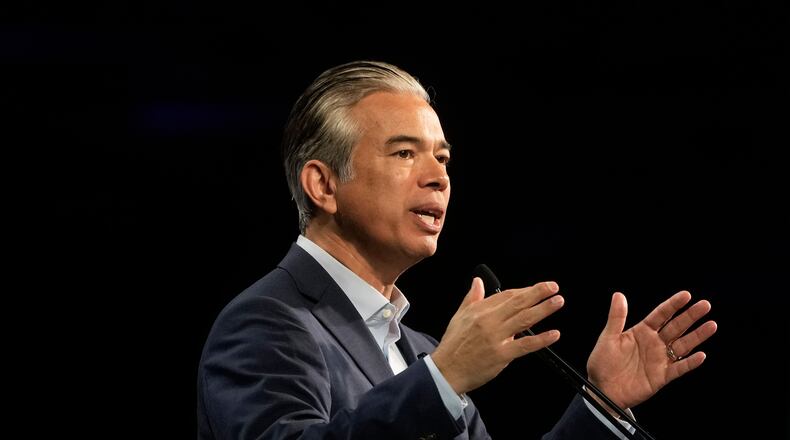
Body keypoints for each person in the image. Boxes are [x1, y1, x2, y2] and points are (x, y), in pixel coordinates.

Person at [197, 60, 718, 440]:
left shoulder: (421, 351)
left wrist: (603, 405)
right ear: (323, 185)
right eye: (405, 152)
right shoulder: (266, 322)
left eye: (443, 158)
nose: (438, 177)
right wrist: (442, 380)